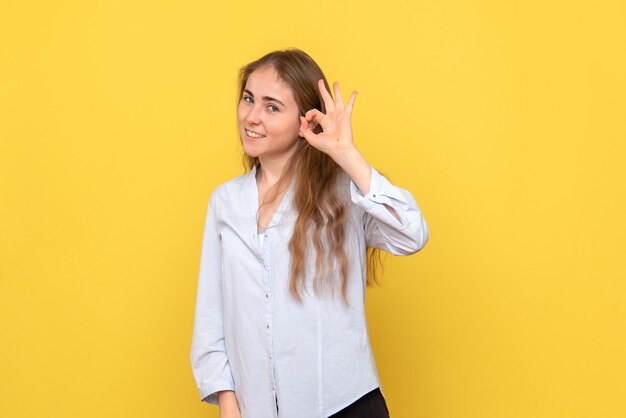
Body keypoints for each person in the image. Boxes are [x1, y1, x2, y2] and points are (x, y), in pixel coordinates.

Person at [190, 48, 429, 418]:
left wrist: (346, 154)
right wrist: (228, 402)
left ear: (305, 121)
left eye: (272, 107)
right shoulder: (225, 202)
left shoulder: (342, 190)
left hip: (346, 405)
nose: (252, 117)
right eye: (248, 99)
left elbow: (411, 234)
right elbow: (211, 317)